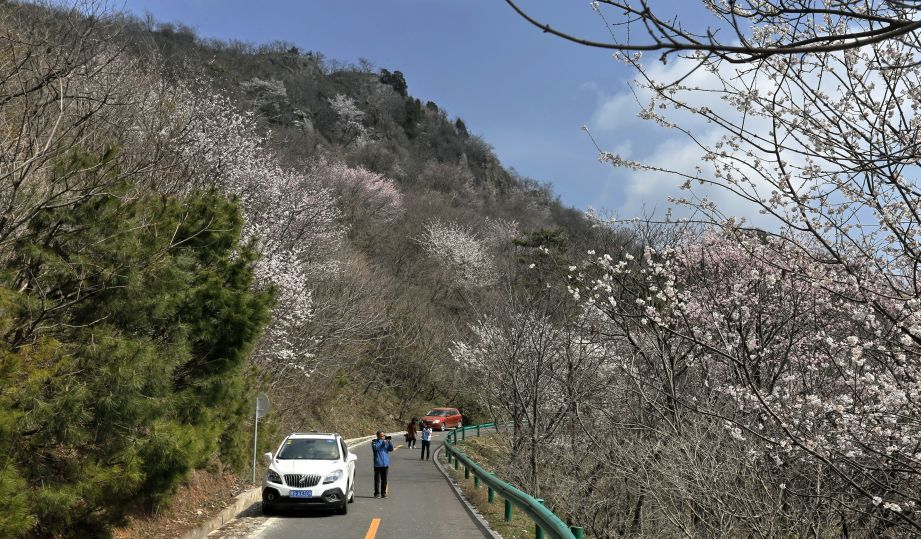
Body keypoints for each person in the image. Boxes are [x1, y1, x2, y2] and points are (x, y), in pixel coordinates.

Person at [371, 431, 394, 498]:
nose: (383, 437)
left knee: (384, 480)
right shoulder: (374, 442)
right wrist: (382, 442)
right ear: (378, 436)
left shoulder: (386, 442)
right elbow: (375, 448)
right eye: (381, 436)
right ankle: (377, 493)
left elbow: (391, 449)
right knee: (377, 480)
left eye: (383, 435)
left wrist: (389, 442)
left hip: (385, 464)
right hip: (378, 464)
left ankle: (383, 493)